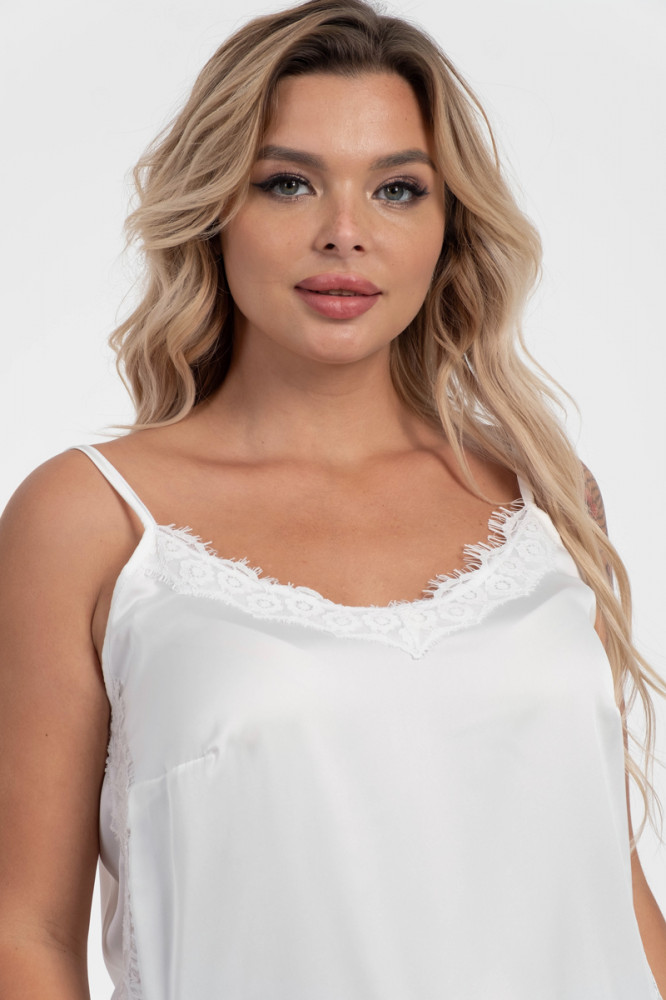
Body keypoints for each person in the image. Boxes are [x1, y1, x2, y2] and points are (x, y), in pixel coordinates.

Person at [0, 0, 664, 996]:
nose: (345, 234)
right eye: (288, 183)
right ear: (216, 209)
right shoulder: (92, 519)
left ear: (448, 226)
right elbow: (27, 933)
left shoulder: (546, 496)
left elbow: (605, 886)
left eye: (397, 189)